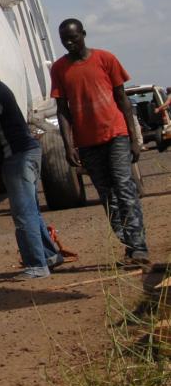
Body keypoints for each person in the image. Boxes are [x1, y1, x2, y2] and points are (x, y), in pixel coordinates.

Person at [51, 19, 149, 269]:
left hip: (116, 134)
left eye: (73, 38)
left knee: (124, 188)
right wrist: (68, 145)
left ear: (83, 34)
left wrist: (134, 138)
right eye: (64, 40)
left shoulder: (106, 59)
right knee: (108, 196)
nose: (69, 43)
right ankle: (128, 244)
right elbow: (62, 110)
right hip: (87, 143)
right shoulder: (60, 69)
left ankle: (139, 247)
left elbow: (122, 99)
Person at [0, 51, 64, 278]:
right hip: (28, 152)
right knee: (31, 211)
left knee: (23, 214)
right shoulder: (0, 89)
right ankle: (49, 256)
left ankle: (36, 266)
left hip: (19, 157)